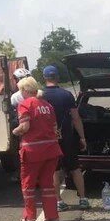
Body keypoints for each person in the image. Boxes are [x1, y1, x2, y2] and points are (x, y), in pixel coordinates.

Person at [40, 65, 90, 210]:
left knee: (54, 170)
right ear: (57, 77)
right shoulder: (66, 95)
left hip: (49, 139)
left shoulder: (40, 95)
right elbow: (75, 118)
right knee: (75, 168)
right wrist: (82, 137)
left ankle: (59, 202)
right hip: (67, 137)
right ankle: (83, 199)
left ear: (44, 78)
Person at [13, 76, 61, 221]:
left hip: (33, 151)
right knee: (47, 184)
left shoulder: (25, 105)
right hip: (52, 149)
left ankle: (29, 216)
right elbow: (54, 128)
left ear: (24, 90)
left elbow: (25, 127)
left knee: (28, 185)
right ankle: (52, 216)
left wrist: (14, 131)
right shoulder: (47, 105)